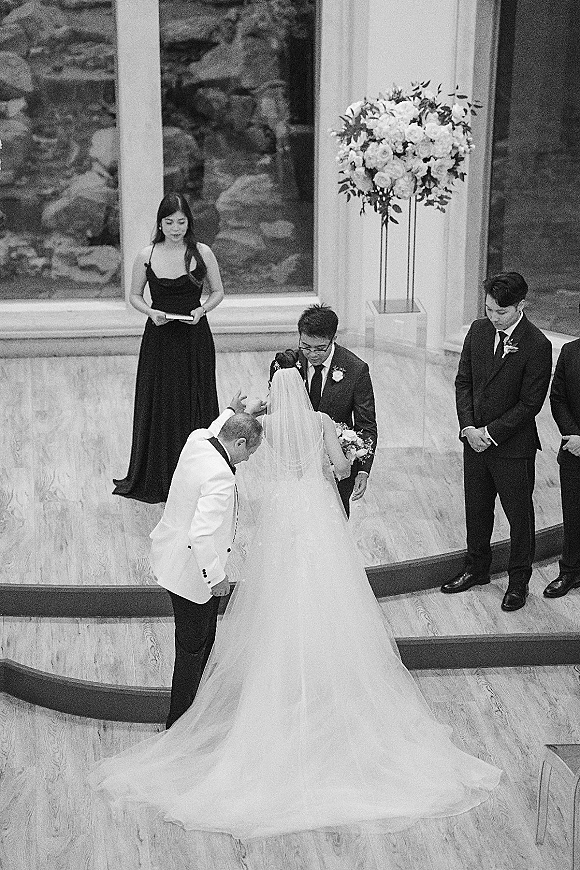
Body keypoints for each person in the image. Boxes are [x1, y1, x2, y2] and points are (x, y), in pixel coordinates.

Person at [90, 355, 501, 840]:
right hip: (316, 519)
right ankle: (321, 682)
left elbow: (226, 430)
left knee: (273, 604)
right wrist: (341, 452)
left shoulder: (251, 429)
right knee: (328, 601)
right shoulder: (322, 420)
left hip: (281, 524)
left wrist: (242, 411)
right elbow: (342, 467)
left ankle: (252, 691)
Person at [150, 392, 263, 729]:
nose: (247, 460)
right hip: (192, 576)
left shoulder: (198, 440)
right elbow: (200, 534)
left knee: (201, 642)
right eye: (250, 453)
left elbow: (216, 430)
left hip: (169, 558)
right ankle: (180, 724)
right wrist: (215, 577)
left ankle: (196, 710)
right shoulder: (220, 478)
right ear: (241, 443)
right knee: (192, 650)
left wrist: (233, 409)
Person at [441, 272, 552, 611]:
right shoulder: (478, 330)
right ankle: (477, 569)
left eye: (501, 312)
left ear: (521, 306)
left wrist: (490, 434)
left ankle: (519, 583)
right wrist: (469, 427)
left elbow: (530, 403)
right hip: (473, 441)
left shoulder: (537, 345)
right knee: (476, 510)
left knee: (520, 518)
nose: (493, 317)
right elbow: (464, 382)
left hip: (512, 448)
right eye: (489, 309)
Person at [113, 192, 224, 503]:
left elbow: (217, 291)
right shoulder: (146, 255)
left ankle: (199, 477)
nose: (175, 228)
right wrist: (151, 312)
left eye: (181, 222)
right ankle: (160, 474)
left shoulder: (203, 252)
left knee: (196, 398)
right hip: (160, 337)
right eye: (169, 222)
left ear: (188, 222)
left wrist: (202, 310)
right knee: (161, 400)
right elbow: (134, 296)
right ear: (160, 224)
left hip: (194, 336)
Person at [280, 303, 377, 517]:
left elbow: (366, 425)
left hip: (336, 464)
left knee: (334, 523)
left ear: (333, 339)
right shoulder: (288, 364)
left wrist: (363, 469)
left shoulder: (355, 369)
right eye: (305, 346)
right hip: (295, 461)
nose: (312, 354)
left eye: (319, 348)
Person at [544, 307, 580, 598]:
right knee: (573, 513)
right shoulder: (569, 352)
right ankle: (570, 571)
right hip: (573, 451)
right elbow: (558, 399)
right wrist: (574, 435)